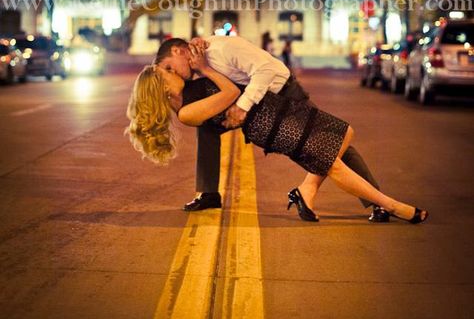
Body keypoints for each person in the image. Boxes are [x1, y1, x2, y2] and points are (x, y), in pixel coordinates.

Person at [125, 45, 428, 224]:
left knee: (344, 136)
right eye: (167, 72)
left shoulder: (193, 82)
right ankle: (390, 205)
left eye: (168, 68)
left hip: (277, 107)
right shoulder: (188, 111)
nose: (174, 73)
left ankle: (307, 192)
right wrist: (205, 68)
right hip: (271, 123)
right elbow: (230, 92)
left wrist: (202, 58)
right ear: (160, 88)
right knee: (332, 161)